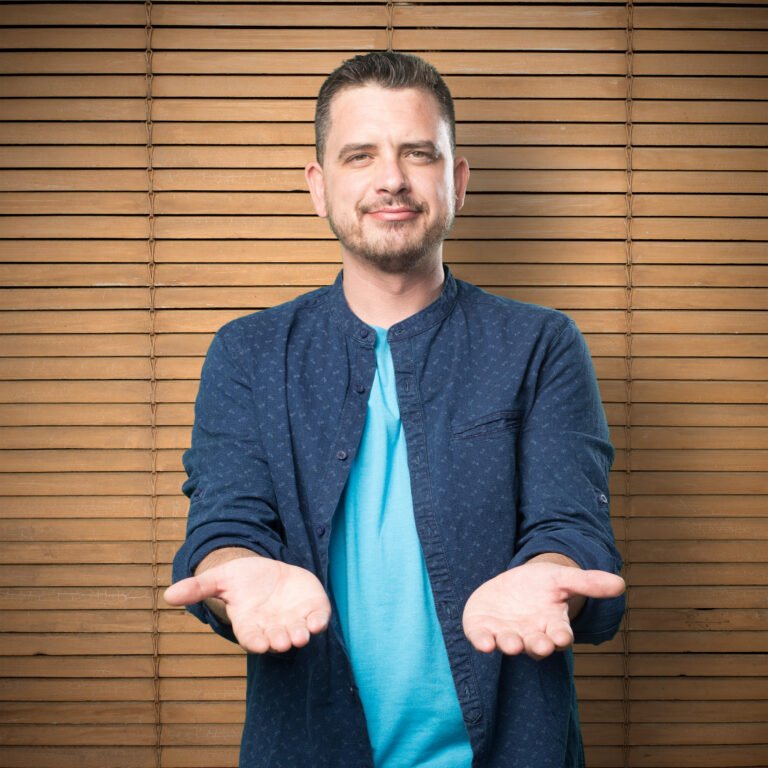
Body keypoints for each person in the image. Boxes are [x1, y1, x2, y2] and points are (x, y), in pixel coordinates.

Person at [165, 51, 625, 768]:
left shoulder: (541, 344)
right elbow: (227, 521)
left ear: (457, 179)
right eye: (360, 155)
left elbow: (569, 522)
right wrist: (234, 568)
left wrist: (554, 570)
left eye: (418, 152)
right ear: (318, 186)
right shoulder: (247, 353)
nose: (391, 179)